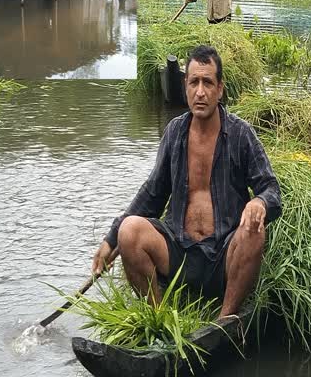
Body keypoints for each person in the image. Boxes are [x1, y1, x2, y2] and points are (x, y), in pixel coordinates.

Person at [92, 46, 281, 318]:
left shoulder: (240, 134)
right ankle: (160, 320)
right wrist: (111, 239)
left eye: (208, 82)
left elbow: (271, 189)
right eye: (194, 82)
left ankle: (224, 320)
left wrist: (259, 202)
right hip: (178, 252)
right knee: (129, 231)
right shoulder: (174, 132)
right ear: (185, 86)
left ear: (220, 89)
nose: (200, 92)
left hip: (223, 255)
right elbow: (152, 195)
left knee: (254, 230)